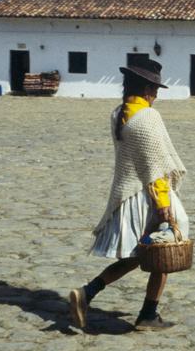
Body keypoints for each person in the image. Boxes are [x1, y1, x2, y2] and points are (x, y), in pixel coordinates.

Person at [69, 59, 188, 331]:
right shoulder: (148, 117)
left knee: (138, 256)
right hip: (149, 196)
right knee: (164, 251)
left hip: (128, 195)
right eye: (155, 89)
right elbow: (155, 167)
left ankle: (87, 293)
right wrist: (164, 207)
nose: (157, 95)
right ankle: (148, 314)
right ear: (147, 88)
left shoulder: (119, 114)